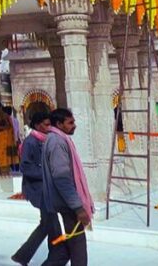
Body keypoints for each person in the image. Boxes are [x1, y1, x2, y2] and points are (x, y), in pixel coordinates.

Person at [41, 108, 93, 266]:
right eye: (70, 123)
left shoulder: (58, 139)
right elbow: (62, 179)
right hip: (67, 203)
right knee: (77, 246)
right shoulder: (57, 142)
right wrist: (78, 207)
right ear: (59, 124)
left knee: (70, 245)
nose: (74, 125)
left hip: (65, 201)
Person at [12, 112, 52, 266]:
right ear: (37, 125)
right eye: (46, 124)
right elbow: (25, 167)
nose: (49, 128)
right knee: (49, 224)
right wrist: (47, 172)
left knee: (48, 225)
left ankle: (23, 256)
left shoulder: (45, 140)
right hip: (37, 189)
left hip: (46, 189)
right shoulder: (31, 142)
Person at [0, 102, 18, 176]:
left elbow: (9, 127)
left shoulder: (5, 116)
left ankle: (5, 174)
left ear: (0, 107)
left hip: (4, 140)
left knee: (4, 158)